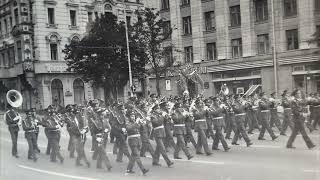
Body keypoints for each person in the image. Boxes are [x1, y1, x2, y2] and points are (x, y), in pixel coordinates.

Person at [125, 110, 149, 175]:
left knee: (133, 155)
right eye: (131, 116)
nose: (133, 117)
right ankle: (143, 169)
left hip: (138, 140)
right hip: (132, 140)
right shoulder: (127, 122)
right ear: (128, 117)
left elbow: (142, 130)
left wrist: (142, 124)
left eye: (133, 116)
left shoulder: (135, 122)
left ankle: (129, 169)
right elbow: (129, 129)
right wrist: (136, 123)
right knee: (137, 155)